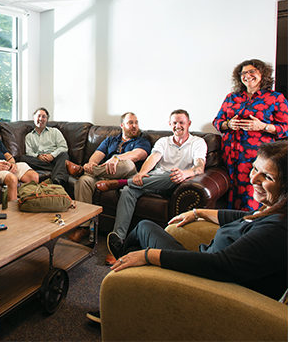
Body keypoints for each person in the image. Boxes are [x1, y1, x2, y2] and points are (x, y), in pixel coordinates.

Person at [109, 140, 287, 301]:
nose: (253, 178)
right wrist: (197, 212)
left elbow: (220, 265)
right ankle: (125, 278)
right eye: (255, 168)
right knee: (142, 227)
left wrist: (148, 255)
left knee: (143, 229)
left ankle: (121, 287)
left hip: (204, 281)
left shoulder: (278, 229)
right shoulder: (273, 212)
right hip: (205, 266)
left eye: (268, 177)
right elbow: (247, 218)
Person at [105, 109, 207, 261]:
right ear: (169, 124)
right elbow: (154, 157)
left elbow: (199, 167)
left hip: (175, 181)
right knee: (127, 191)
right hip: (154, 180)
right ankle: (119, 242)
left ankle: (121, 182)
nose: (177, 126)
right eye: (174, 123)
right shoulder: (163, 141)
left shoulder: (198, 142)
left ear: (189, 124)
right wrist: (141, 173)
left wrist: (186, 173)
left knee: (173, 175)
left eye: (181, 122)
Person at [212, 59, 287, 211]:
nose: (247, 75)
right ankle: (230, 225)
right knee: (230, 194)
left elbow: (286, 127)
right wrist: (228, 124)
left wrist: (263, 126)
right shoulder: (232, 97)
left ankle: (252, 225)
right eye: (244, 73)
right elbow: (217, 121)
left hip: (257, 158)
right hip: (231, 155)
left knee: (254, 193)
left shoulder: (275, 98)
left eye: (252, 71)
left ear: (262, 74)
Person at [72, 112, 151, 204]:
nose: (134, 126)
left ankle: (83, 170)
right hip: (105, 174)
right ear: (122, 125)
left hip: (126, 175)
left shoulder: (142, 140)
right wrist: (91, 163)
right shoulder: (110, 140)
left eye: (136, 123)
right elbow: (97, 154)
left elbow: (137, 155)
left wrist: (116, 158)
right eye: (130, 123)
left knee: (128, 164)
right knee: (83, 181)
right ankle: (86, 218)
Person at [19, 107, 70, 186]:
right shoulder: (29, 136)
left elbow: (63, 147)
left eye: (43, 117)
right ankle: (58, 168)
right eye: (38, 116)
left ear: (47, 119)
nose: (40, 119)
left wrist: (52, 155)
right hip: (39, 161)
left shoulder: (55, 131)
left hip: (55, 159)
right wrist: (38, 156)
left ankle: (56, 181)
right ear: (34, 118)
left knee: (64, 155)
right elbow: (29, 152)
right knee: (23, 158)